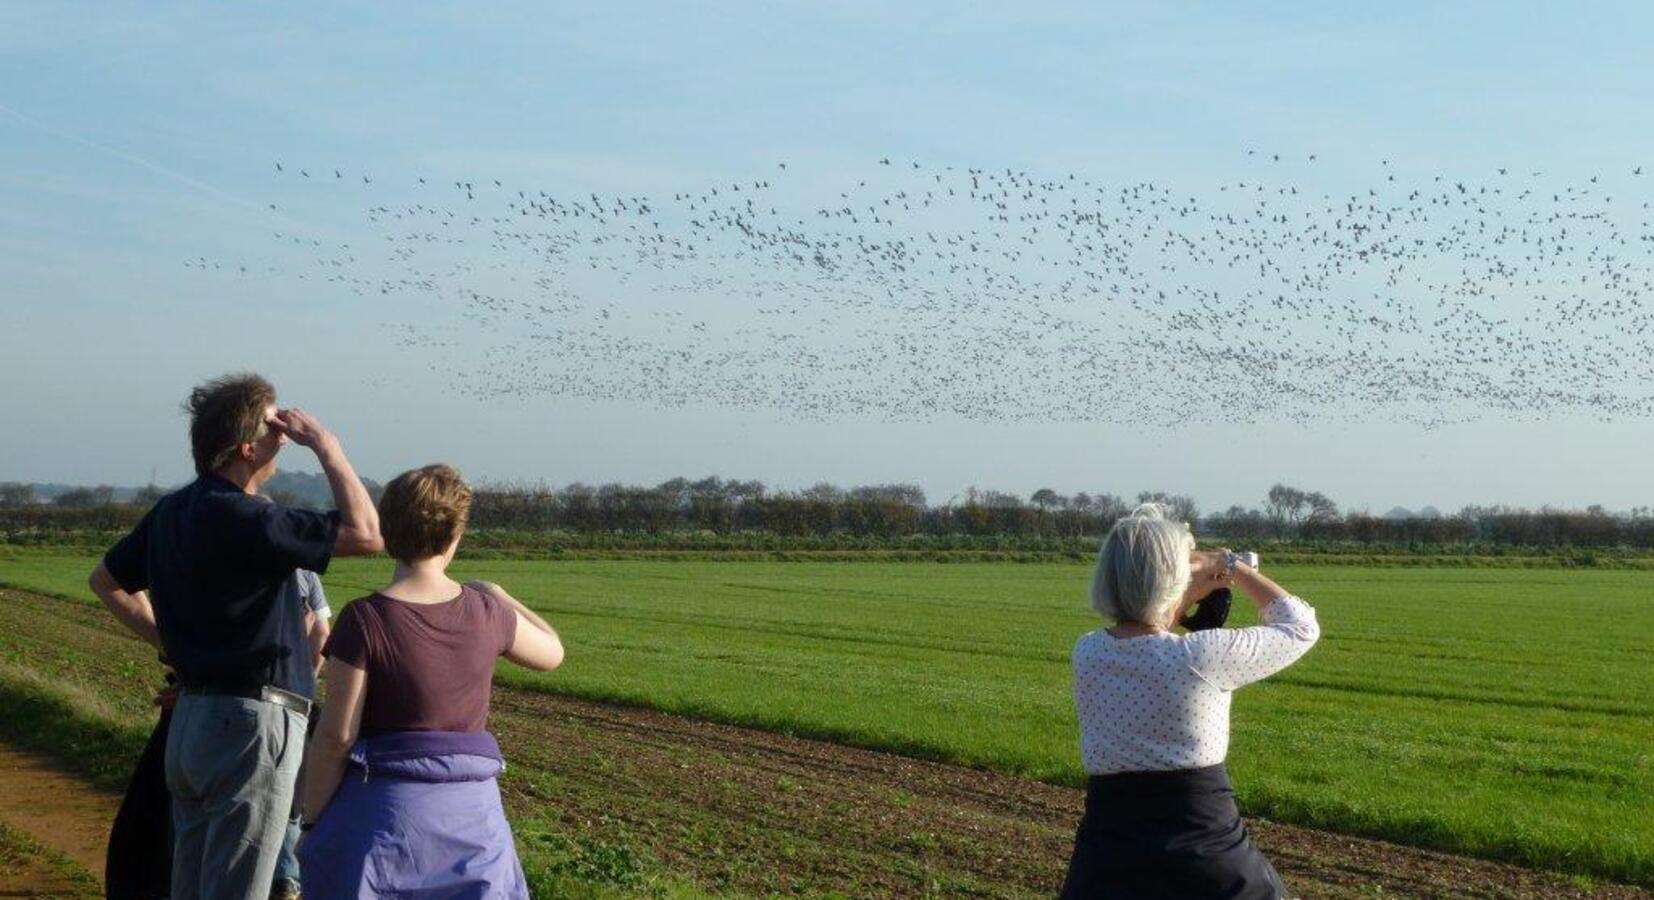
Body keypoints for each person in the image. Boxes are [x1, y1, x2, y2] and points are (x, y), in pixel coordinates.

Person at [90, 373, 383, 900]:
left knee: (193, 885)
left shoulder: (171, 513)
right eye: (275, 431)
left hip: (191, 725)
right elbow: (367, 534)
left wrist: (176, 648)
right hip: (252, 727)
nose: (282, 442)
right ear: (248, 448)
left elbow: (106, 582)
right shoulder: (249, 518)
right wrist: (327, 446)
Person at [297, 464, 564, 899]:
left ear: (387, 530)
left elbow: (337, 736)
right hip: (476, 822)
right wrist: (496, 593)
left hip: (385, 818)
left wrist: (312, 822)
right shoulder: (487, 613)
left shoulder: (365, 620)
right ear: (456, 534)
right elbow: (553, 652)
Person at [1060, 504, 1320, 899]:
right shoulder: (1201, 657)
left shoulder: (1089, 653)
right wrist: (1232, 567)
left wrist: (1179, 595)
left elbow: (1145, 629)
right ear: (1171, 581)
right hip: (1206, 863)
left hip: (1107, 865)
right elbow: (1300, 627)